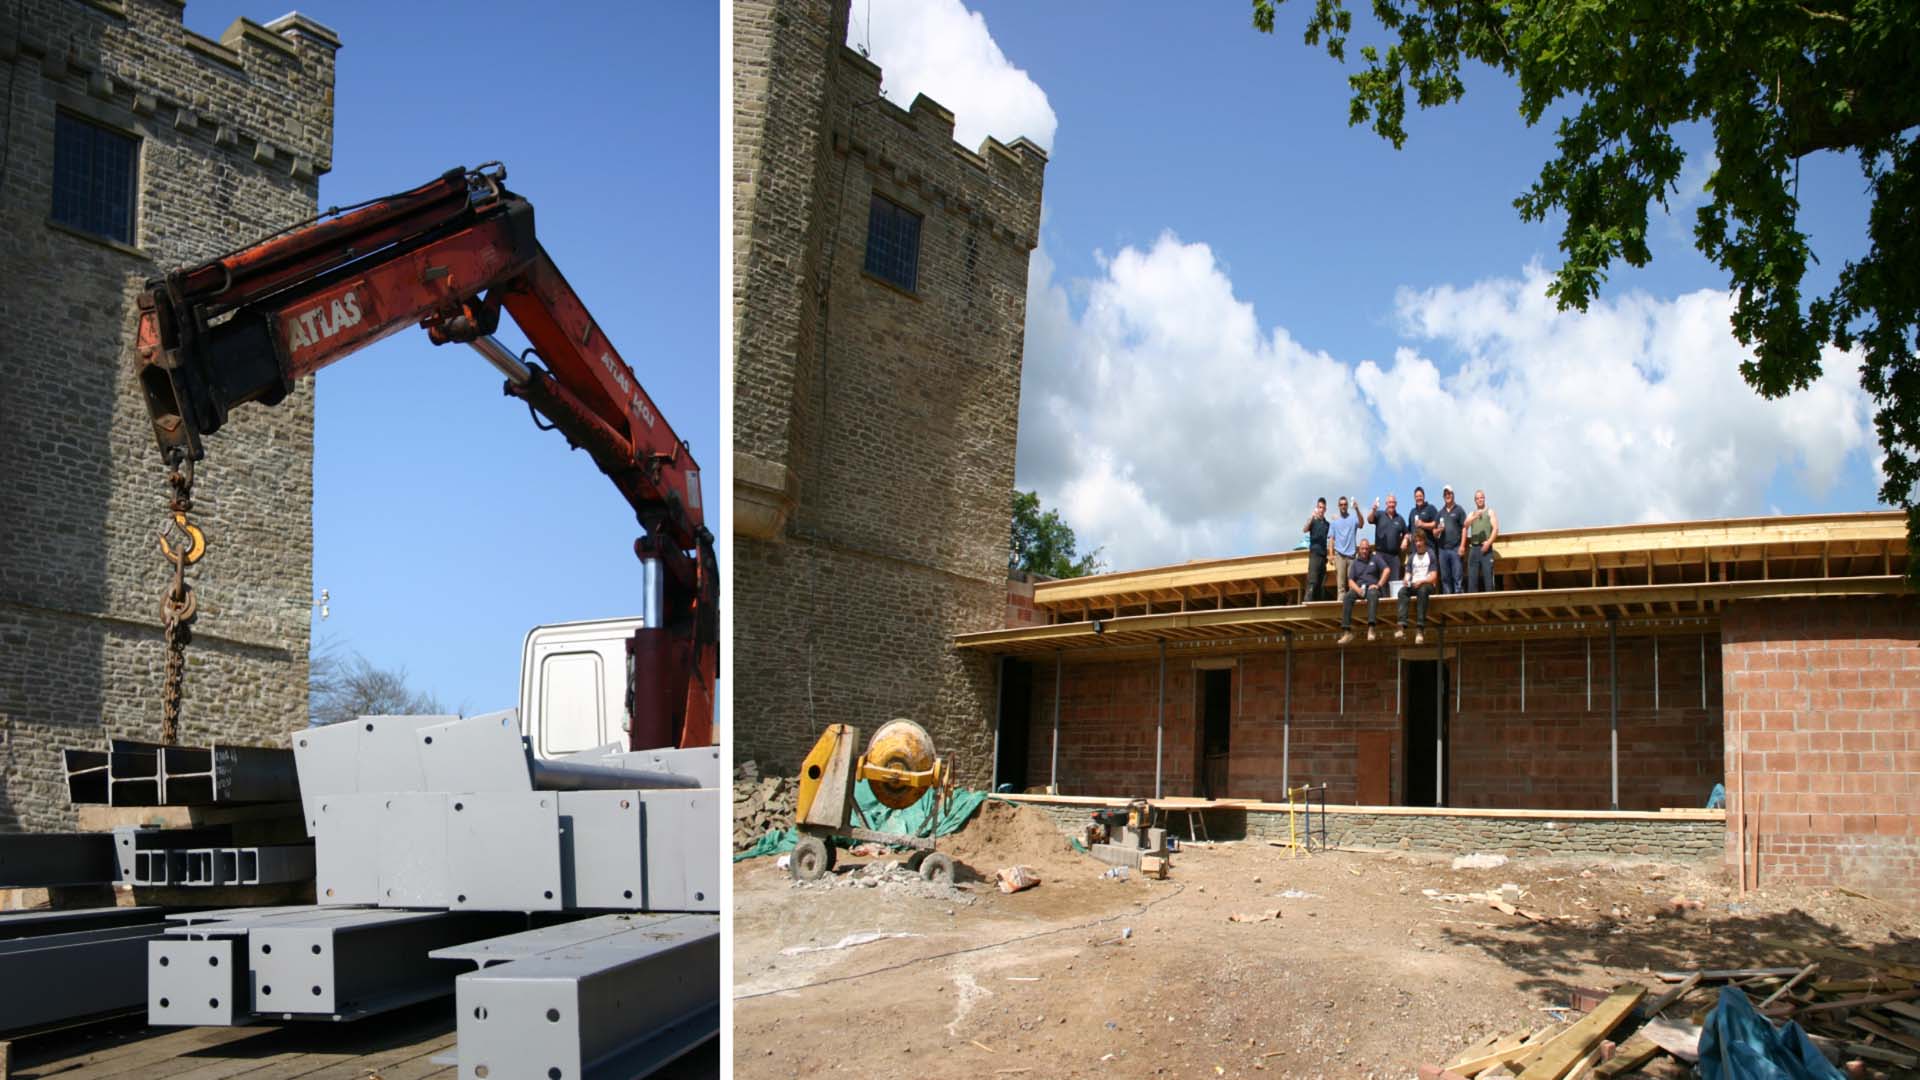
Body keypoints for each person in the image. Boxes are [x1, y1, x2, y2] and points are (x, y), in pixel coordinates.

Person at [1338, 538, 1388, 644]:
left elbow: (1387, 570)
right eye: (1362, 549)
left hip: (1372, 588)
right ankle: (1347, 632)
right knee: (1347, 597)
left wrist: (1378, 585)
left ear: (1369, 549)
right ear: (1359, 550)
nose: (1364, 551)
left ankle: (1371, 629)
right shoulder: (1356, 562)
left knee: (1373, 594)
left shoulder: (1375, 558)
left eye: (1366, 549)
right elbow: (1350, 580)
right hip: (1359, 588)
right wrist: (1357, 589)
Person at [1397, 530, 1440, 644]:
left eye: (1420, 541)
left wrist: (1422, 581)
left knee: (1422, 590)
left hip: (1427, 584)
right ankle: (1401, 625)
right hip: (1414, 584)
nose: (1418, 543)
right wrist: (1406, 580)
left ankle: (1420, 629)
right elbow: (1408, 572)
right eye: (1416, 541)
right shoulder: (1412, 557)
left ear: (1424, 541)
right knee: (1402, 592)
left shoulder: (1430, 554)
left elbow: (1434, 576)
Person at [1465, 488, 1500, 593]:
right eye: (1477, 498)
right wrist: (1475, 516)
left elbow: (1496, 529)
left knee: (1488, 579)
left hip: (1486, 548)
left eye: (1481, 498)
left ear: (1484, 499)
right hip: (1474, 549)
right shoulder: (1472, 513)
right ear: (1475, 501)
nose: (1480, 500)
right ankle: (1473, 607)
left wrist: (1489, 543)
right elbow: (1465, 525)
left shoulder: (1490, 511)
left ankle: (1490, 607)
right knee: (1472, 580)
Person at [1436, 485, 1468, 594]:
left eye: (1449, 493)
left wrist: (1462, 546)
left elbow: (1464, 527)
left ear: (1453, 495)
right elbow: (1434, 532)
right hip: (1442, 550)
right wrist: (1438, 531)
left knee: (1457, 578)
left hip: (1456, 548)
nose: (1447, 496)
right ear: (1443, 497)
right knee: (1445, 579)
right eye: (1445, 494)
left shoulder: (1459, 510)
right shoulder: (1440, 513)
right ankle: (1447, 605)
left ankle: (1459, 607)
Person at [1368, 494, 1407, 581]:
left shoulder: (1400, 519)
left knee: (1394, 582)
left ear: (1396, 504)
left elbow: (1407, 533)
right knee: (1381, 582)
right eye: (1390, 502)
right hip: (1380, 555)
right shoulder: (1379, 514)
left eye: (1393, 502)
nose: (1391, 505)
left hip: (1394, 556)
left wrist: (1405, 539)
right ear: (1386, 503)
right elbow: (1370, 520)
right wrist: (1373, 510)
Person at [1330, 495, 1361, 602]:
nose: (1343, 506)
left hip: (1351, 555)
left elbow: (1361, 524)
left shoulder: (1353, 519)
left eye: (1345, 504)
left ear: (1347, 506)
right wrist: (1330, 555)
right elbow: (1332, 539)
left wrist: (1357, 509)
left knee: (1352, 582)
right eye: (1341, 504)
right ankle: (1340, 604)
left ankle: (1351, 602)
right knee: (1341, 585)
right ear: (1338, 506)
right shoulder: (1334, 521)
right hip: (1339, 555)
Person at [1302, 497, 1330, 601]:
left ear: (1325, 509)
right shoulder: (1313, 521)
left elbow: (1332, 537)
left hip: (1323, 556)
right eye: (1319, 507)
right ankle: (1307, 602)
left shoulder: (1327, 524)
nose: (1321, 509)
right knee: (1312, 580)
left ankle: (1318, 603)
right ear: (1317, 508)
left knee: (1321, 582)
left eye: (1323, 507)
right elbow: (1304, 529)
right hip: (1314, 554)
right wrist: (1311, 518)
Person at [1407, 485, 1441, 563]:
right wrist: (1407, 537)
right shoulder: (1412, 512)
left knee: (1430, 573)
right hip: (1415, 550)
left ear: (1424, 496)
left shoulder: (1431, 508)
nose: (1419, 498)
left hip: (1429, 548)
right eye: (1417, 496)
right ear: (1414, 498)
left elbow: (1436, 524)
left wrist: (1423, 524)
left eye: (1420, 496)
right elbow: (1409, 529)